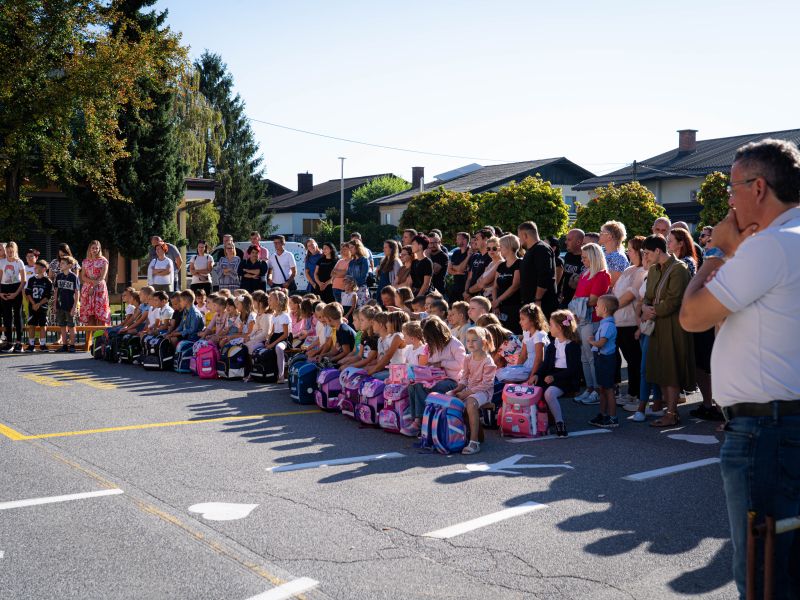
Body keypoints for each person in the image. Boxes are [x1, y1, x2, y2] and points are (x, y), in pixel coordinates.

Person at [679, 139, 800, 599]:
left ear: (760, 187)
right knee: (786, 567)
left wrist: (718, 250)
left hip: (765, 431)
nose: (729, 201)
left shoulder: (768, 248)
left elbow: (692, 315)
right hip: (783, 424)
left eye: (733, 189)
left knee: (763, 576)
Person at [640, 234, 694, 428]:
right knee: (660, 370)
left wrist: (651, 311)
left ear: (658, 251)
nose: (645, 257)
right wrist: (645, 308)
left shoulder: (679, 269)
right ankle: (668, 411)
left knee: (671, 369)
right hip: (657, 326)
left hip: (672, 325)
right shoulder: (654, 269)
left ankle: (672, 414)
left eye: (647, 253)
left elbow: (674, 300)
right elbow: (648, 296)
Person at [408, 316, 466, 436]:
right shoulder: (431, 346)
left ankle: (420, 421)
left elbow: (461, 364)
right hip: (435, 378)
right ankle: (415, 418)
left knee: (422, 387)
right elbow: (429, 363)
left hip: (452, 380)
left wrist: (441, 364)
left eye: (429, 338)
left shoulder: (454, 344)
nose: (428, 341)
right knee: (413, 386)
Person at [533, 309, 582, 438]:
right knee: (534, 389)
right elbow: (545, 364)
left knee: (549, 393)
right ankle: (541, 420)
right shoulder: (553, 345)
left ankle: (560, 423)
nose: (549, 327)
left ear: (559, 328)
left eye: (551, 325)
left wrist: (554, 377)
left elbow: (574, 369)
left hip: (566, 378)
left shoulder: (572, 346)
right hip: (552, 374)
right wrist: (537, 374)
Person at [572, 243, 611, 406]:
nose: (582, 260)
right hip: (581, 319)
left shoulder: (602, 275)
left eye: (585, 257)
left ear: (594, 257)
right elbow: (577, 296)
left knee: (591, 356)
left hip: (592, 320)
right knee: (584, 357)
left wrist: (577, 306)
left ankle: (597, 389)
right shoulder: (585, 273)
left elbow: (594, 299)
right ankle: (589, 388)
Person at [449, 326, 497, 455]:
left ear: (484, 342)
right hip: (470, 390)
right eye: (468, 340)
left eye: (474, 340)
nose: (470, 343)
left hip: (484, 393)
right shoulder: (468, 358)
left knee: (470, 403)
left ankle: (474, 442)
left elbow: (486, 384)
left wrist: (466, 393)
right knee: (451, 399)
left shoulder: (488, 361)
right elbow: (464, 378)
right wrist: (457, 389)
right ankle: (459, 436)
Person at [612, 236, 647, 405]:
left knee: (634, 360)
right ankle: (632, 392)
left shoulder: (642, 271)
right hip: (618, 320)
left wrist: (611, 307)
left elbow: (630, 295)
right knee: (629, 358)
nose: (628, 252)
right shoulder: (629, 269)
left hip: (630, 321)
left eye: (631, 250)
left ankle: (635, 394)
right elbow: (615, 291)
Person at [587, 295, 620, 428]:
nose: (596, 307)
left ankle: (612, 417)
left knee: (608, 389)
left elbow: (601, 343)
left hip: (606, 359)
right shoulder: (604, 323)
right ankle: (603, 414)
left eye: (598, 306)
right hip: (601, 358)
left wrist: (591, 341)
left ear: (605, 309)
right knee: (602, 388)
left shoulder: (608, 325)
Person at [496, 303, 549, 383]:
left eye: (523, 319)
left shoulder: (539, 335)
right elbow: (523, 356)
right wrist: (516, 369)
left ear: (533, 320)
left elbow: (539, 360)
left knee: (506, 376)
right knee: (499, 372)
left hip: (536, 369)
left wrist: (531, 377)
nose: (520, 322)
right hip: (527, 367)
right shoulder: (526, 333)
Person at [517, 221, 557, 317]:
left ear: (525, 235)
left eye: (519, 236)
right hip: (531, 303)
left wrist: (538, 299)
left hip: (541, 303)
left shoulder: (541, 249)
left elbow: (545, 276)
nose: (519, 240)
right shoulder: (530, 250)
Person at [492, 234, 522, 333]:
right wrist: (495, 303)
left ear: (509, 247)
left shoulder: (519, 263)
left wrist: (498, 301)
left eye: (501, 246)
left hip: (514, 307)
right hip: (499, 307)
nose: (499, 249)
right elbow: (495, 286)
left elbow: (515, 286)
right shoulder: (501, 266)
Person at [0, 242, 27, 352]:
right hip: (4, 289)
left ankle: (18, 342)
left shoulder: (19, 262)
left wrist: (16, 293)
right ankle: (9, 342)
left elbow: (24, 280)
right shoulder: (1, 262)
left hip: (16, 288)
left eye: (12, 251)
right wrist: (0, 293)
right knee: (7, 317)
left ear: (15, 251)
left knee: (17, 315)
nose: (10, 253)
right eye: (8, 251)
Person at [79, 240, 111, 326]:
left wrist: (93, 286)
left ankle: (100, 338)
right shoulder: (85, 261)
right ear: (89, 249)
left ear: (99, 249)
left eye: (97, 248)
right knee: (90, 315)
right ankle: (90, 338)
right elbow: (83, 277)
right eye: (93, 248)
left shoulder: (103, 261)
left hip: (99, 288)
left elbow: (102, 277)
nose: (95, 250)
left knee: (100, 314)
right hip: (87, 289)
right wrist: (92, 282)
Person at [24, 259, 52, 352]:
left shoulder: (48, 281)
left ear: (44, 269)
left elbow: (48, 296)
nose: (35, 268)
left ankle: (42, 344)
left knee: (43, 326)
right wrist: (33, 303)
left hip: (42, 307)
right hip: (32, 306)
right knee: (31, 325)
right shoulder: (31, 279)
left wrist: (39, 304)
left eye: (37, 267)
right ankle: (31, 345)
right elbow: (28, 293)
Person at [54, 256, 80, 353]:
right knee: (62, 326)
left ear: (69, 265)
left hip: (70, 305)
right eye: (60, 263)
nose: (61, 265)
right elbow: (56, 291)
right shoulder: (59, 276)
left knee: (71, 326)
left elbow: (77, 292)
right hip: (60, 305)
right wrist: (54, 304)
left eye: (63, 263)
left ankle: (72, 345)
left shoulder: (74, 277)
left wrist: (74, 307)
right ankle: (64, 345)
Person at [463, 229, 492, 299]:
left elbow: (483, 281)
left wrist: (468, 292)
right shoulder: (475, 256)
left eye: (477, 239)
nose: (475, 242)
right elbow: (469, 278)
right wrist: (466, 292)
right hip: (470, 296)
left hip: (482, 297)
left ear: (485, 239)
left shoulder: (491, 257)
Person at [599, 221, 629, 286]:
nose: (599, 234)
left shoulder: (619, 257)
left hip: (608, 295)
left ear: (609, 237)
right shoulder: (602, 252)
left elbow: (612, 283)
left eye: (602, 233)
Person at [559, 229, 585, 307]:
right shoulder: (568, 256)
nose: (566, 242)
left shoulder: (586, 259)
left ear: (578, 242)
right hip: (564, 300)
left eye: (569, 240)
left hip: (579, 304)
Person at [447, 232, 470, 301]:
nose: (456, 241)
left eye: (458, 239)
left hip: (465, 287)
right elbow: (449, 269)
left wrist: (454, 267)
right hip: (456, 285)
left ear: (465, 240)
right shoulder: (456, 252)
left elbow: (460, 269)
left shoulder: (471, 252)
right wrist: (457, 272)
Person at [377, 240, 401, 304]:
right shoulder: (383, 260)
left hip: (389, 292)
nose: (383, 249)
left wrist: (393, 290)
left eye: (386, 247)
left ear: (392, 249)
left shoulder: (396, 262)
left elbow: (397, 278)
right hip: (381, 289)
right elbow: (380, 277)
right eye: (383, 247)